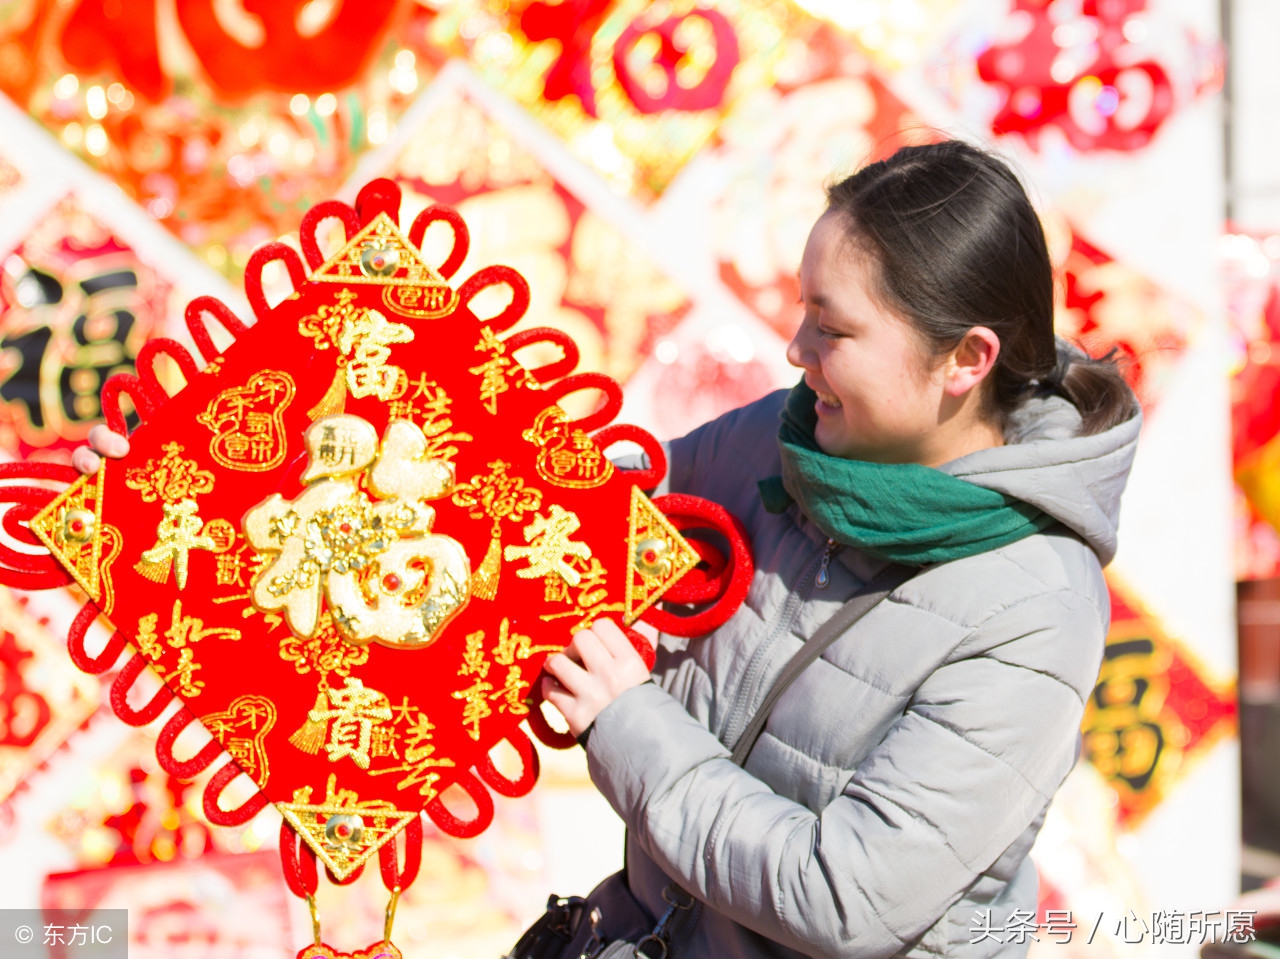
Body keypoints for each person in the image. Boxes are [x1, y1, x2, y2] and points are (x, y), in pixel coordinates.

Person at [77, 139, 1140, 958]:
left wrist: (622, 715)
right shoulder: (781, 443)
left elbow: (844, 895)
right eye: (799, 313)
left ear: (965, 358)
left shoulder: (1032, 603)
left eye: (832, 327)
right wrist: (201, 490)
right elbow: (530, 523)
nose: (793, 349)